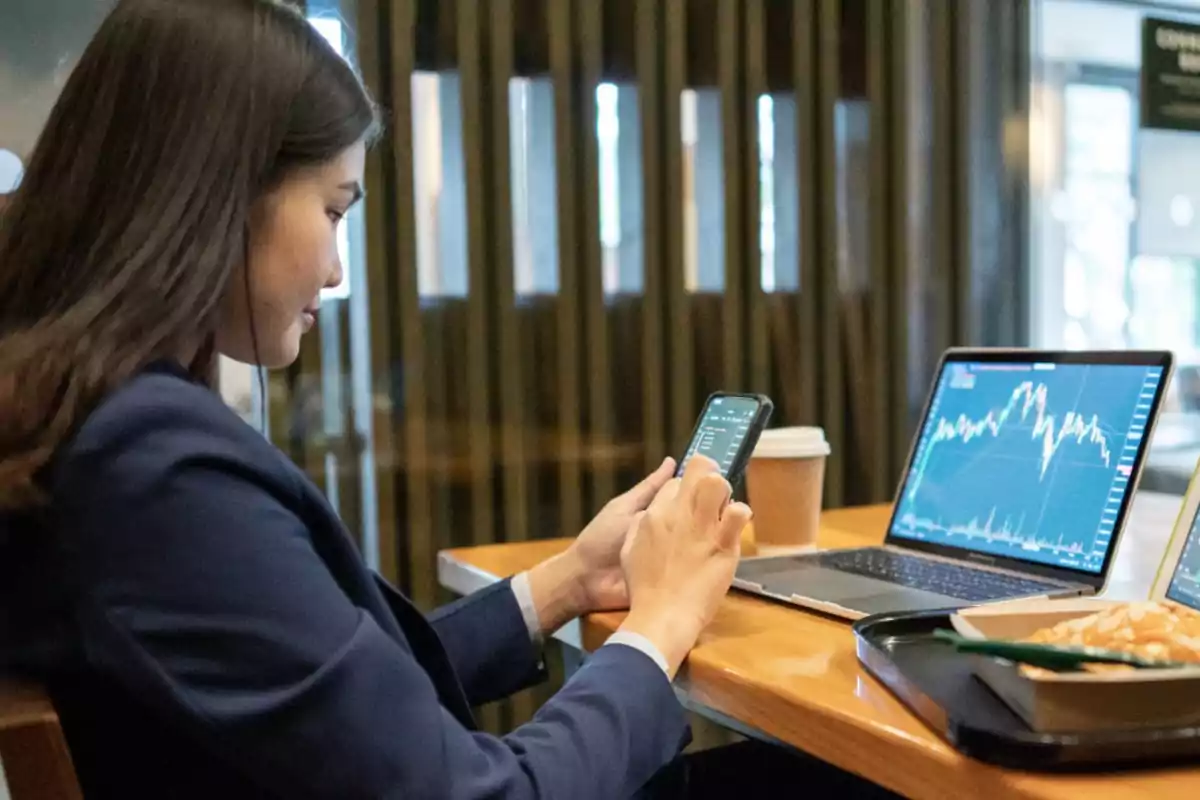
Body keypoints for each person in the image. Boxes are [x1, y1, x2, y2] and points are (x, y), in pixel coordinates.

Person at [0, 0, 745, 797]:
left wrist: (564, 584)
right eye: (331, 210)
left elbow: (332, 696)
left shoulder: (91, 429)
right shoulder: (151, 469)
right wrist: (658, 628)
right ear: (221, 193)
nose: (335, 269)